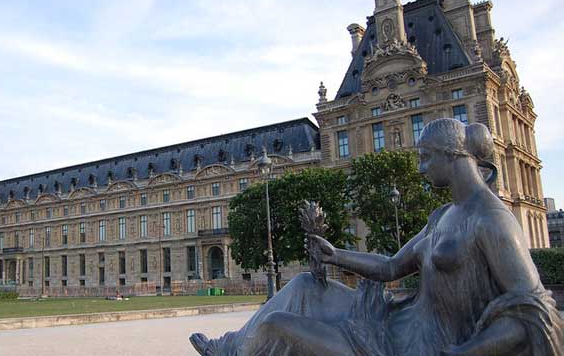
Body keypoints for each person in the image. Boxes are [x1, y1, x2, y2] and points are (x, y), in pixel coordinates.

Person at [190, 119, 564, 356]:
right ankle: (229, 347)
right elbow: (389, 268)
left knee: (277, 328)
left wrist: (465, 352)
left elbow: (533, 312)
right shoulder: (442, 216)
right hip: (399, 322)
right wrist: (335, 254)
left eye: (425, 157)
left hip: (423, 344)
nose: (419, 168)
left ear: (454, 157)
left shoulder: (493, 220)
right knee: (305, 284)